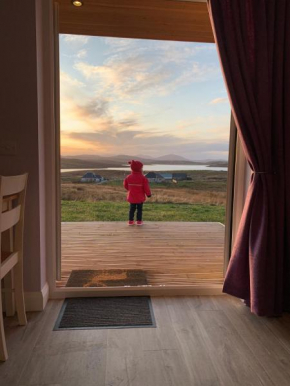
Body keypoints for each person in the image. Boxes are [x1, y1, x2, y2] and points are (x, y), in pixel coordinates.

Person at [123, 160, 151, 226]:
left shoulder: (128, 177)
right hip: (140, 198)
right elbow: (146, 187)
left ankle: (130, 221)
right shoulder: (143, 178)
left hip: (131, 197)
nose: (142, 169)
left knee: (131, 209)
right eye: (141, 168)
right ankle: (139, 221)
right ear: (139, 169)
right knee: (139, 210)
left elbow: (125, 185)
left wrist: (130, 189)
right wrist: (148, 194)